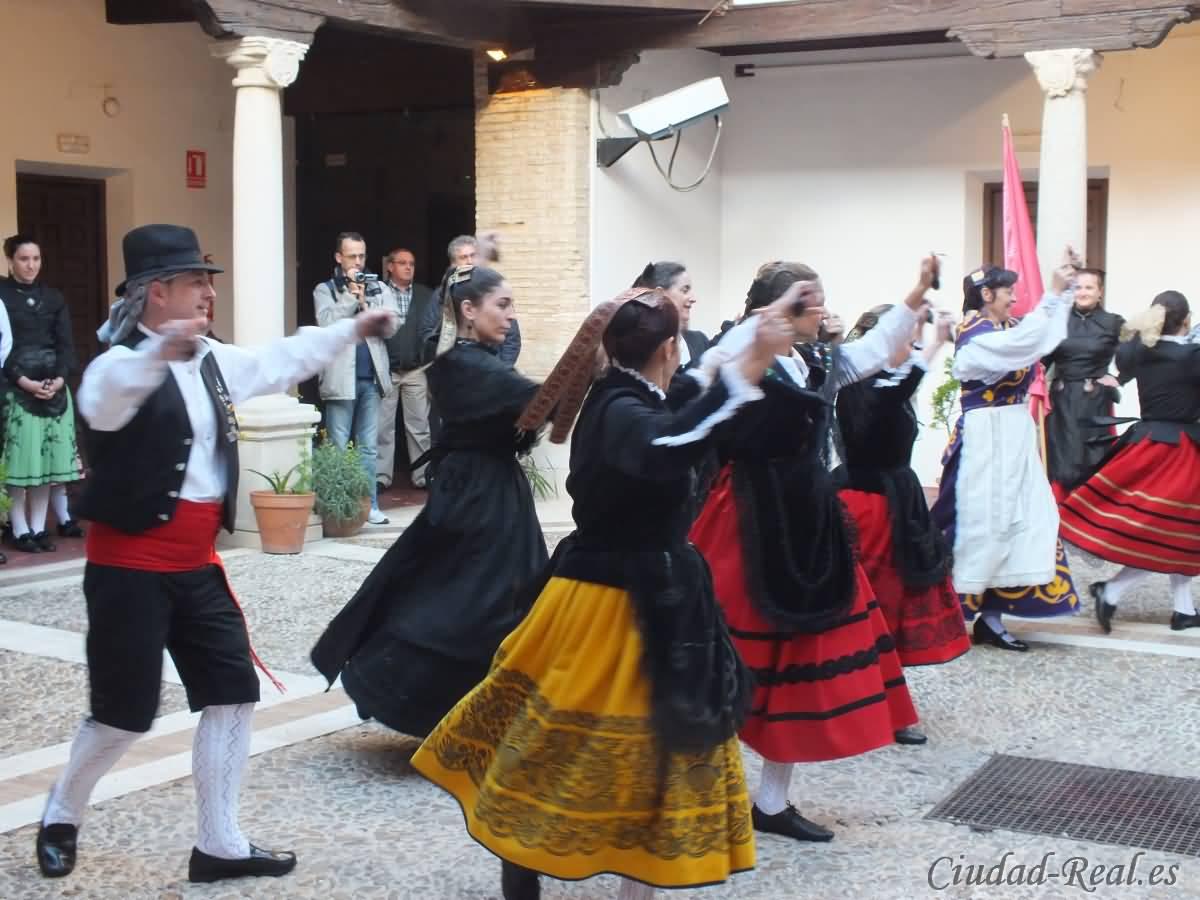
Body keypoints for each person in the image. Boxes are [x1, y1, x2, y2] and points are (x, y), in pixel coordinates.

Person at [411, 284, 797, 900]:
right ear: (668, 348)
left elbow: (693, 398)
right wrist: (748, 366)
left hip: (628, 589)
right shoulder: (622, 408)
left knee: (623, 748)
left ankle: (592, 873)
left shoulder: (634, 393)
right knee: (574, 739)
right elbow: (669, 444)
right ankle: (525, 858)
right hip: (616, 599)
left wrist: (754, 346)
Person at [36, 224, 395, 883]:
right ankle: (61, 811)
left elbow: (281, 359)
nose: (208, 292)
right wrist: (159, 353)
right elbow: (106, 405)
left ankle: (219, 844)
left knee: (233, 694)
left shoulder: (213, 359)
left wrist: (352, 330)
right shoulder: (115, 363)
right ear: (155, 292)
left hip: (196, 566)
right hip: (128, 571)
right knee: (123, 717)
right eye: (195, 282)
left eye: (209, 281)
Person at [691, 257, 935, 845]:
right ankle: (691, 790)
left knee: (803, 659)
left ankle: (771, 801)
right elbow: (707, 381)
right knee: (716, 654)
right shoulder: (739, 350)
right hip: (746, 515)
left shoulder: (815, 359)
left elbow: (873, 352)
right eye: (810, 298)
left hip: (807, 514)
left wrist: (915, 295)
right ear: (774, 308)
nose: (822, 308)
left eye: (821, 297)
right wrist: (762, 327)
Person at [312, 264, 547, 739]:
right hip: (476, 497)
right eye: (502, 305)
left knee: (491, 595)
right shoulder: (463, 364)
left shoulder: (481, 361)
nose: (511, 316)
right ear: (468, 310)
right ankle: (443, 705)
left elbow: (526, 415)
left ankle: (488, 711)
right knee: (467, 598)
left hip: (493, 492)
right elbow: (535, 400)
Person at [930, 261, 1082, 652]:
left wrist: (1065, 291)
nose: (1015, 298)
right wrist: (1053, 293)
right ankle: (937, 612)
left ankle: (993, 617)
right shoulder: (974, 335)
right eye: (1008, 291)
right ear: (986, 294)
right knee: (978, 524)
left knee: (1025, 518)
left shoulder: (1009, 328)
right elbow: (1023, 345)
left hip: (1014, 434)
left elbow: (1043, 336)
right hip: (984, 437)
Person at [833, 304, 970, 734]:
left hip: (896, 502)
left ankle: (881, 698)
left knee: (891, 606)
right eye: (906, 341)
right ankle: (870, 701)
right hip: (867, 507)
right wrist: (935, 345)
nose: (911, 349)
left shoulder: (885, 383)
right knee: (873, 605)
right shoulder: (857, 385)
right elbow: (886, 400)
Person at [1061, 290, 1200, 632]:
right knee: (1171, 531)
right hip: (1179, 450)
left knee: (1179, 531)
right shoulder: (1191, 356)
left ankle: (1184, 609)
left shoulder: (1138, 350)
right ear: (1186, 320)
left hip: (1148, 442)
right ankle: (1112, 591)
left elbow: (1123, 365)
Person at [0, 235, 85, 554]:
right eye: (24, 259)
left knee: (47, 466)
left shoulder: (53, 297)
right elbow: (3, 347)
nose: (31, 265)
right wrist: (23, 381)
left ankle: (38, 527)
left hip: (54, 388)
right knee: (21, 464)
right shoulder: (2, 295)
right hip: (16, 388)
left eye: (36, 259)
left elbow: (65, 343)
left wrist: (60, 378)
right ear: (10, 261)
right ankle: (19, 528)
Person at [314, 231, 398, 525]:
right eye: (352, 256)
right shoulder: (325, 289)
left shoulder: (378, 287)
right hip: (340, 379)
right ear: (339, 257)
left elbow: (392, 327)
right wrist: (350, 297)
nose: (358, 262)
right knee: (338, 445)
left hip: (371, 379)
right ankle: (340, 509)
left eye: (362, 256)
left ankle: (369, 506)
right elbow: (325, 323)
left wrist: (365, 304)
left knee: (368, 448)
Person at [1043, 268, 1124, 500]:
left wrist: (1120, 378)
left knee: (1094, 457)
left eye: (1089, 287)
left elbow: (1135, 354)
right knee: (1061, 458)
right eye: (1077, 287)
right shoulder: (1059, 321)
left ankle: (1089, 513)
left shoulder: (1113, 322)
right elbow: (1042, 359)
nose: (1083, 292)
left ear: (1100, 292)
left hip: (1095, 402)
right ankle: (1059, 511)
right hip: (1062, 402)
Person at [377, 247, 434, 490]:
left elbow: (434, 329)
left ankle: (423, 476)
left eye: (411, 263)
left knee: (419, 426)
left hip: (415, 371)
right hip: (386, 370)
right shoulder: (378, 292)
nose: (408, 267)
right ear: (390, 266)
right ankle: (381, 477)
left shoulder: (425, 295)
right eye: (402, 263)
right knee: (383, 427)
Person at [447, 234, 520, 366]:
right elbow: (430, 333)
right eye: (464, 257)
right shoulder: (444, 294)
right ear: (454, 263)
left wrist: (501, 369)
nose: (470, 261)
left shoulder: (495, 288)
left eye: (473, 256)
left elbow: (512, 340)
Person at [632, 261, 707, 367]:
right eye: (685, 290)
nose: (693, 299)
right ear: (659, 295)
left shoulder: (699, 341)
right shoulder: (641, 346)